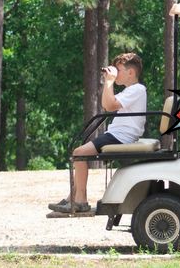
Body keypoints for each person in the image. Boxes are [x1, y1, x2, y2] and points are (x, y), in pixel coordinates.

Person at [48, 52, 146, 215]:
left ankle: (80, 200)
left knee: (79, 153)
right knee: (79, 153)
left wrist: (109, 81)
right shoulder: (130, 90)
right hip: (116, 135)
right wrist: (110, 82)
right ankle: (73, 196)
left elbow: (108, 105)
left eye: (119, 70)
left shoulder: (137, 89)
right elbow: (107, 104)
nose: (115, 73)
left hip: (120, 137)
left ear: (131, 72)